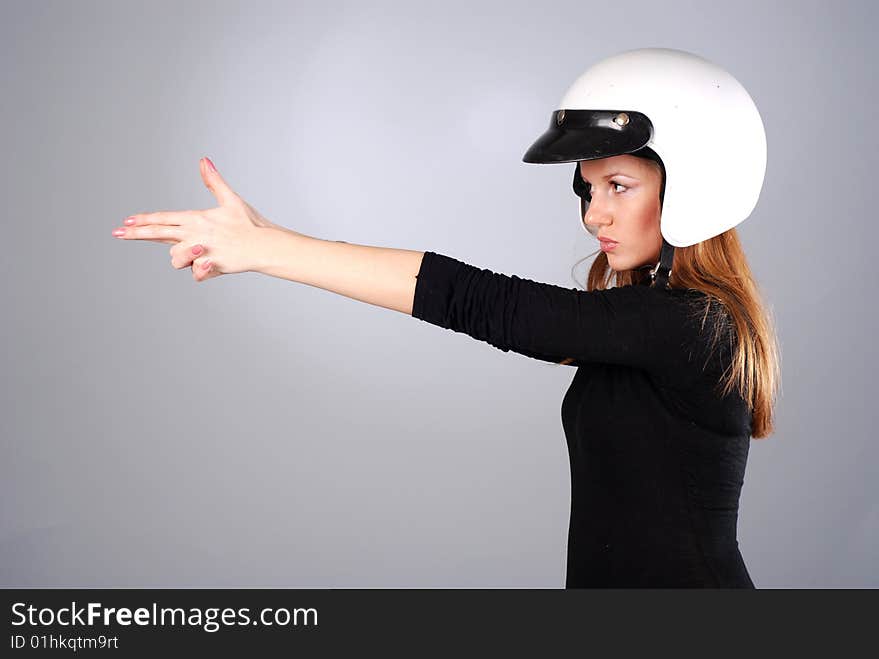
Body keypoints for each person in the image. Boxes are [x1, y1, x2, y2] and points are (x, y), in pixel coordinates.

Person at [112, 48, 780, 588]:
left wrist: (270, 251)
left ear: (699, 180)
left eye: (619, 185)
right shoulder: (646, 328)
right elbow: (474, 303)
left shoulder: (693, 328)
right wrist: (272, 238)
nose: (593, 213)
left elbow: (479, 302)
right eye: (588, 187)